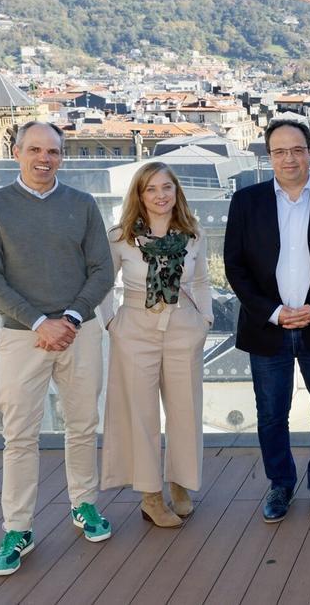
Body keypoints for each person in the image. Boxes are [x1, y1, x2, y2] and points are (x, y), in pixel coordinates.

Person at [0, 121, 115, 576]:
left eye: (53, 151)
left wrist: (70, 318)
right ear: (16, 153)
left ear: (62, 157)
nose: (44, 158)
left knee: (82, 425)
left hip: (80, 331)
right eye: (35, 149)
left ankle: (84, 505)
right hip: (21, 336)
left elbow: (101, 270)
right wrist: (39, 321)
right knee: (19, 436)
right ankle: (18, 529)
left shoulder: (83, 204)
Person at [224, 119, 310, 523]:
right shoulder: (246, 201)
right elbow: (235, 266)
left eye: (297, 149)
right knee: (270, 414)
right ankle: (280, 484)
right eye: (280, 151)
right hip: (268, 327)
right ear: (269, 157)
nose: (289, 158)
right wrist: (273, 311)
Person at [99, 162, 212, 527]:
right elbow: (100, 281)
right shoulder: (121, 237)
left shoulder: (193, 234)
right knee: (141, 413)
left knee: (185, 410)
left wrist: (204, 321)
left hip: (182, 327)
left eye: (167, 187)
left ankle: (180, 483)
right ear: (139, 194)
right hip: (135, 329)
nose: (160, 195)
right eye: (151, 188)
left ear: (176, 192)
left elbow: (202, 282)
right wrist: (111, 322)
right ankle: (150, 495)